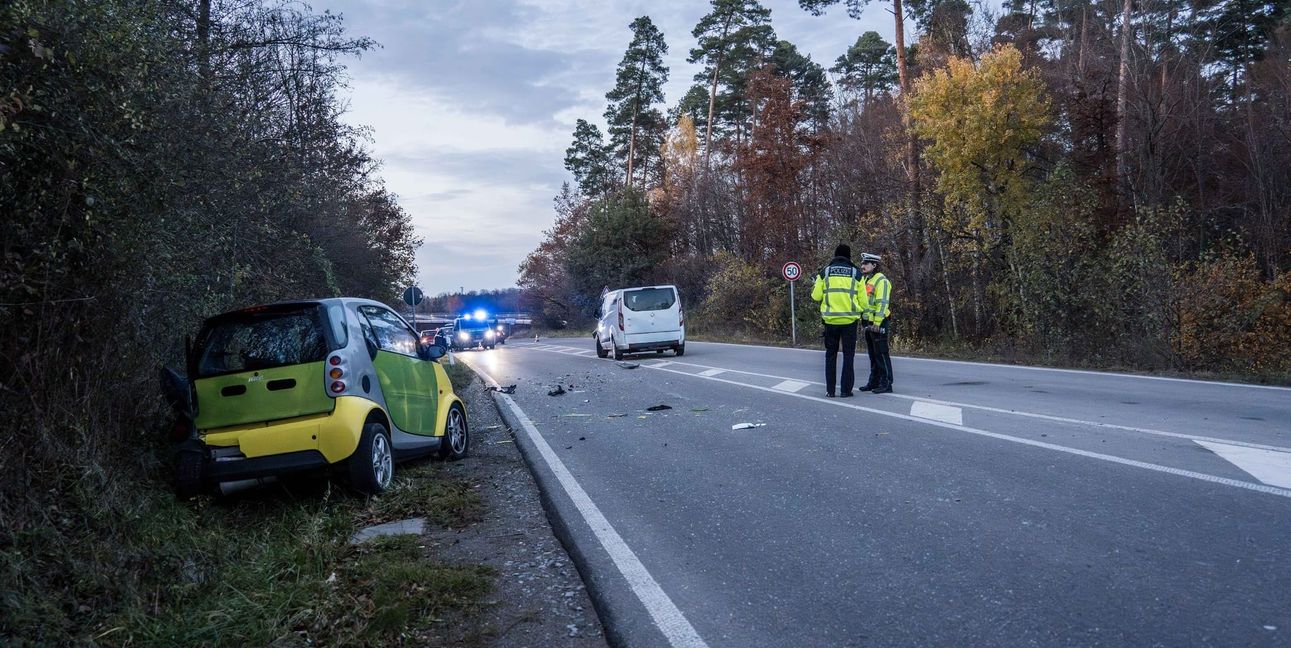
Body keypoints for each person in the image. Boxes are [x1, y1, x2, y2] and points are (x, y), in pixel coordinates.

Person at [811, 244, 866, 397]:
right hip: (849, 322)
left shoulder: (825, 272)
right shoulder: (856, 273)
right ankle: (846, 391)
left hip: (830, 321)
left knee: (830, 355)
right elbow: (864, 301)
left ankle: (830, 391)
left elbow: (815, 297)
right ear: (849, 256)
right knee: (848, 356)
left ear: (835, 255)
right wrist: (862, 312)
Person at [858, 252, 894, 393]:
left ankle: (886, 383)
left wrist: (877, 323)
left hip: (879, 322)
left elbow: (882, 303)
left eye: (866, 263)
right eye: (862, 263)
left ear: (874, 265)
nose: (862, 266)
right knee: (873, 354)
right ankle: (873, 381)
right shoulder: (867, 280)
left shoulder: (882, 281)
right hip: (869, 323)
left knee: (881, 353)